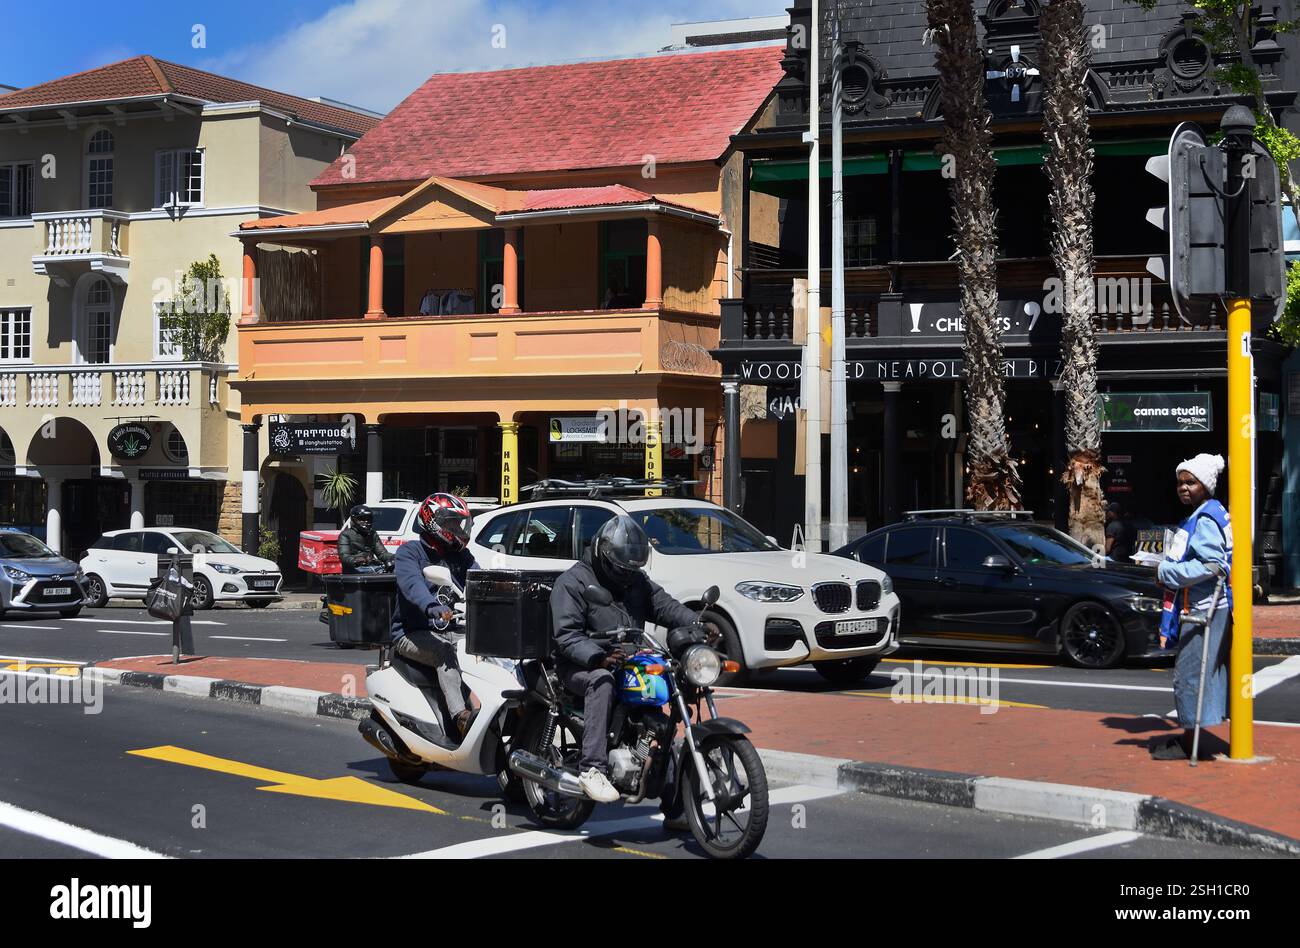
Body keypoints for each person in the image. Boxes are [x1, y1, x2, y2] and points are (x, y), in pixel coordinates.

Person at [549, 514, 720, 820]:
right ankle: (592, 769)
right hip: (579, 664)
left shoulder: (635, 581)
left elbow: (664, 605)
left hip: (629, 660)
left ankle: (675, 801)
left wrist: (696, 623)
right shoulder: (573, 582)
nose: (627, 575)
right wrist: (597, 656)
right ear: (604, 554)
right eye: (621, 568)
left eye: (632, 570)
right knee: (601, 681)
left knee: (664, 699)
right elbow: (566, 636)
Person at [1150, 454, 1232, 761]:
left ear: (1205, 485)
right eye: (1180, 483)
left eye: (1190, 482)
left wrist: (1165, 572)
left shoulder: (1207, 518)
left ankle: (1188, 742)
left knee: (1188, 675)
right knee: (1198, 673)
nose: (1183, 488)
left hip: (1204, 609)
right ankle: (1190, 736)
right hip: (1203, 606)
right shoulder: (1208, 512)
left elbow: (1213, 566)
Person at [390, 493, 479, 741]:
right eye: (451, 524)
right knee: (445, 653)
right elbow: (412, 584)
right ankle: (460, 717)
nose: (458, 529)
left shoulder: (461, 556)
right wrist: (430, 605)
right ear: (433, 523)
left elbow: (479, 580)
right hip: (411, 633)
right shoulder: (410, 552)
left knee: (484, 652)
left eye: (459, 524)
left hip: (453, 628)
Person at [337, 504, 395, 573]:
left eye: (368, 519)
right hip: (354, 569)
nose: (366, 522)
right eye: (362, 519)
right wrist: (356, 560)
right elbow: (344, 556)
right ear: (354, 520)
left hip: (372, 567)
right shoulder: (345, 534)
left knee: (395, 570)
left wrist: (395, 557)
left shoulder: (373, 534)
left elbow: (382, 553)